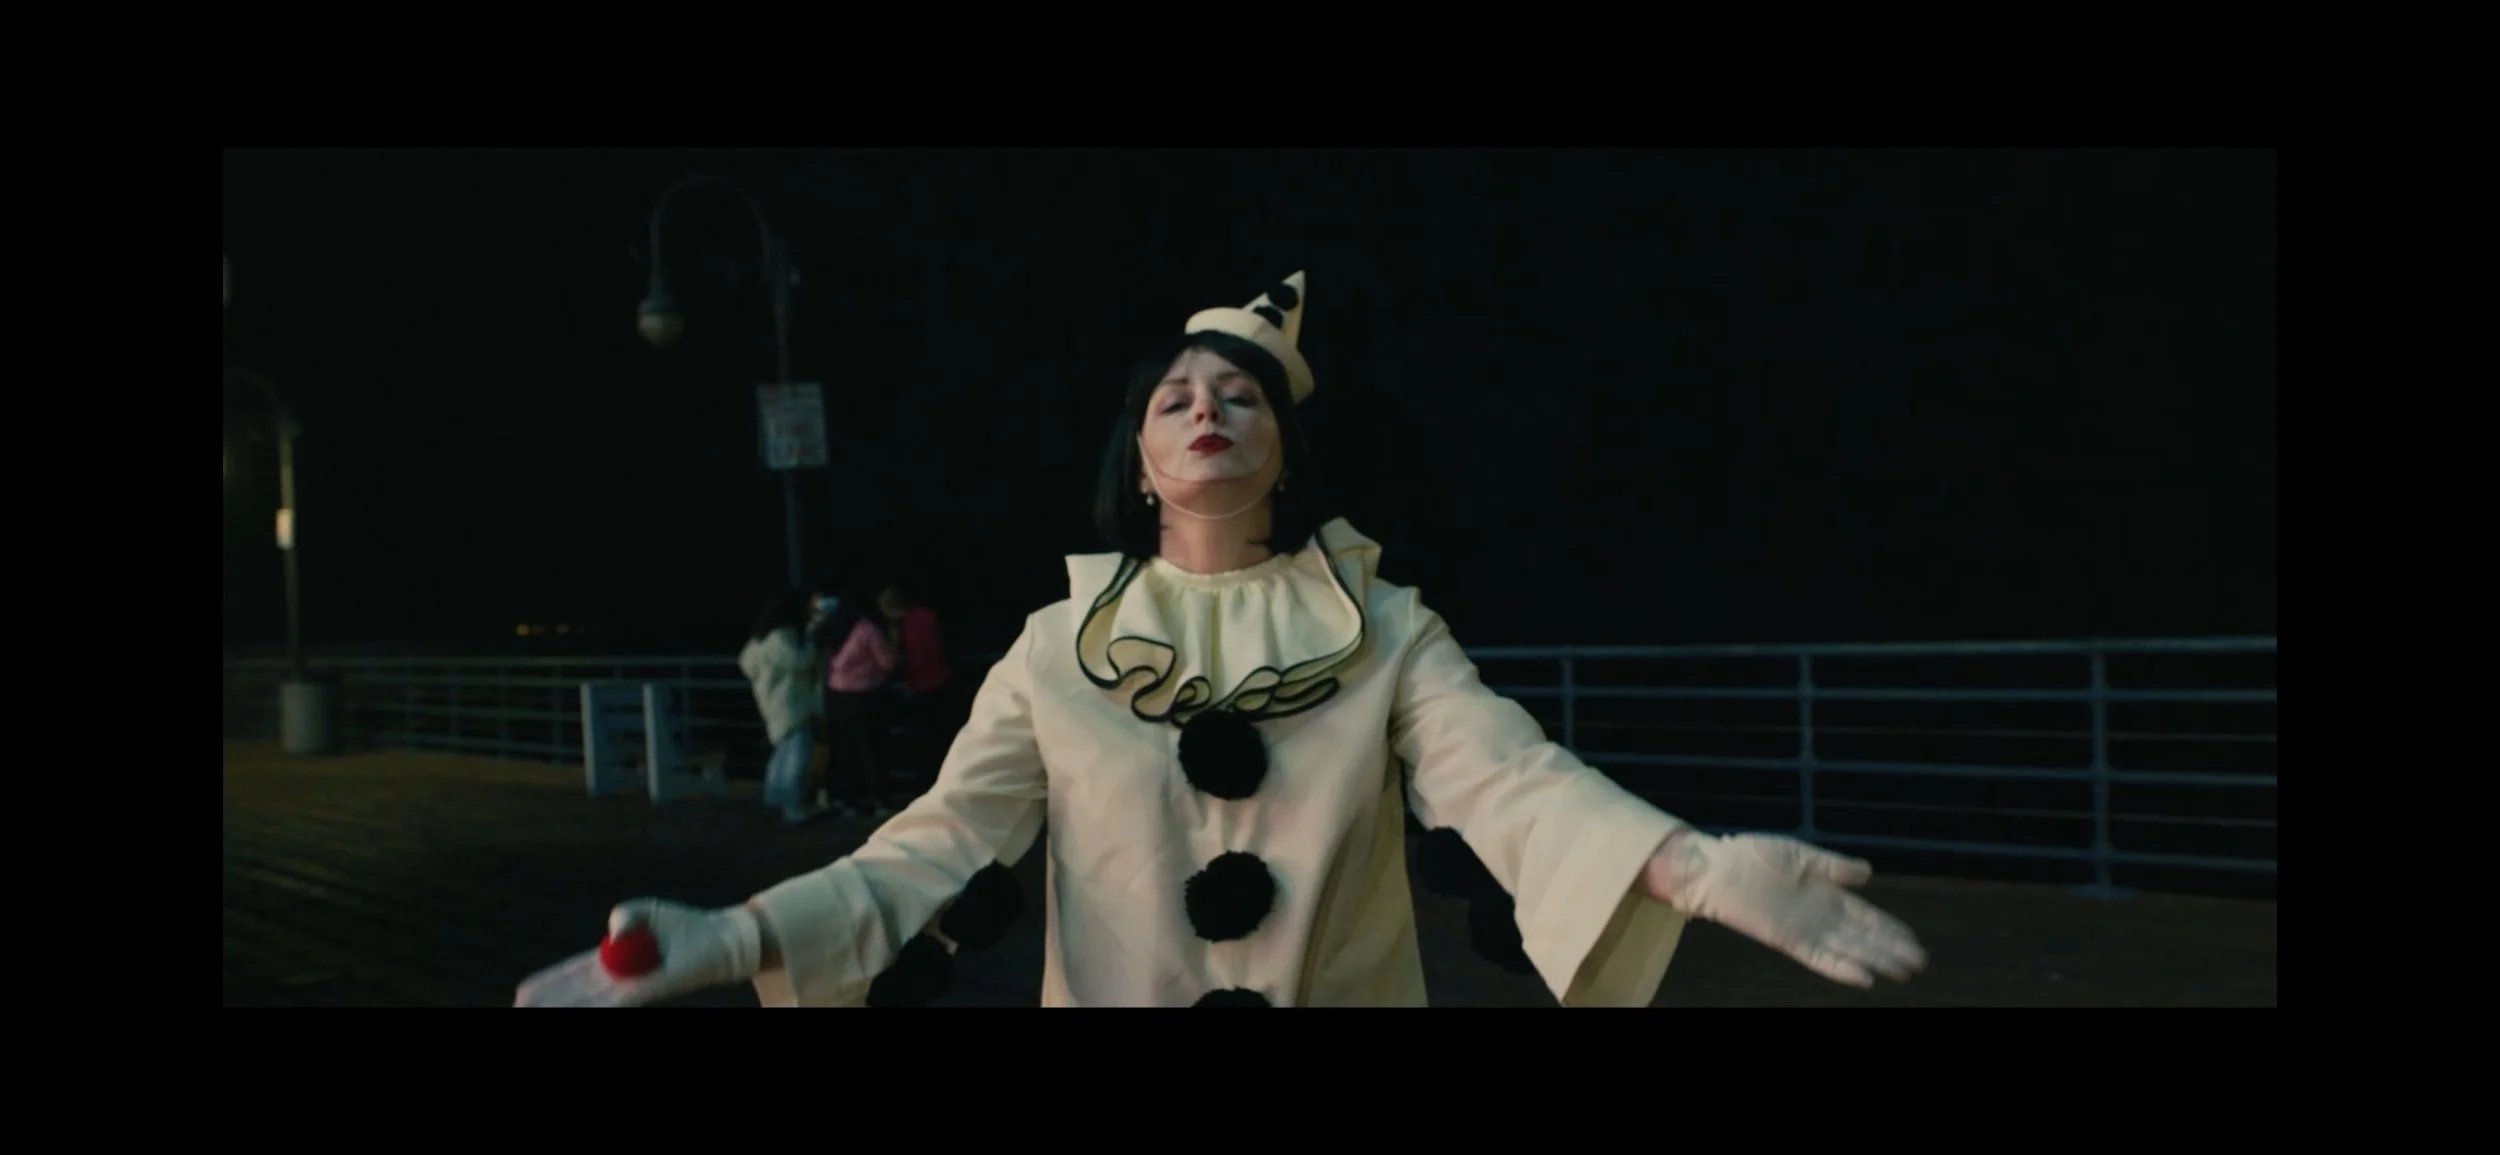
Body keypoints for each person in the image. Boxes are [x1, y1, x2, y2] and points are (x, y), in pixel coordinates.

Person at [517, 271, 1926, 1008]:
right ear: (1139, 461)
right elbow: (932, 846)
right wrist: (740, 934)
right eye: (1177, 397)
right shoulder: (1058, 645)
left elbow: (1511, 783)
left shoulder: (1385, 627)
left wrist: (1689, 866)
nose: (1208, 409)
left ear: (1284, 451)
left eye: (1242, 397)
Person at [737, 589, 825, 825]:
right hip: (790, 703)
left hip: (773, 703)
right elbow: (800, 662)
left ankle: (774, 800)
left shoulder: (759, 640)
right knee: (797, 756)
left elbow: (746, 664)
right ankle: (791, 807)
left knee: (782, 753)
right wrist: (812, 637)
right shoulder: (781, 637)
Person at [823, 594, 901, 818]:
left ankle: (846, 799)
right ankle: (878, 799)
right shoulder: (866, 629)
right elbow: (887, 662)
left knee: (844, 749)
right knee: (872, 749)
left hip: (836, 695)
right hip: (865, 696)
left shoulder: (832, 629)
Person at [880, 583, 954, 793]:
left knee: (925, 737)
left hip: (922, 684)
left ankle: (926, 782)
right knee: (941, 734)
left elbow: (917, 658)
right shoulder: (927, 616)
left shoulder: (905, 625)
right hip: (941, 677)